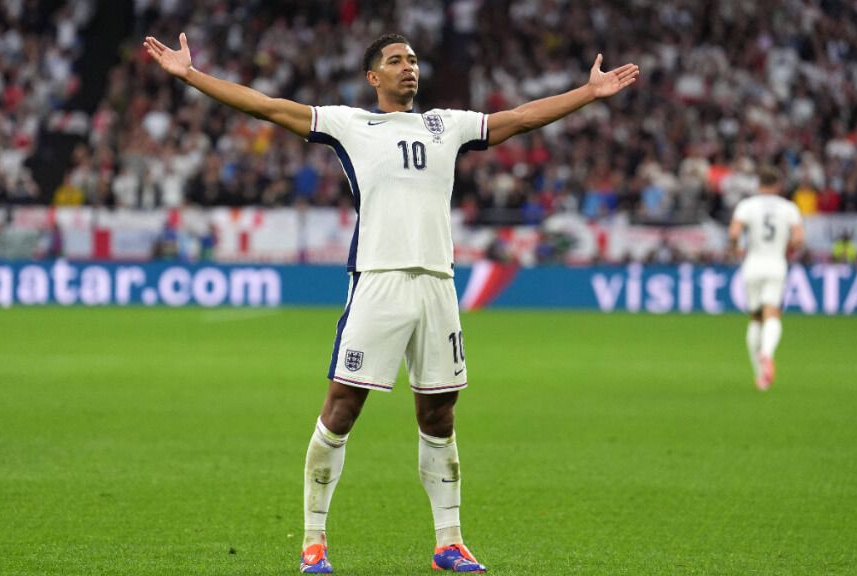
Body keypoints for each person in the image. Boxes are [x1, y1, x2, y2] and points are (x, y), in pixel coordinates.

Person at [144, 31, 639, 573]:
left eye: (414, 60)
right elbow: (266, 106)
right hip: (378, 279)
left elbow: (519, 118)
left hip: (437, 282)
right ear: (372, 77)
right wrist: (191, 76)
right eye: (396, 60)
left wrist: (587, 93)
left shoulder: (446, 125)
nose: (409, 67)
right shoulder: (349, 124)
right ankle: (313, 542)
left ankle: (449, 542)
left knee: (440, 413)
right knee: (342, 407)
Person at [728, 167, 804, 391]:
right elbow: (799, 238)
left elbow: (734, 233)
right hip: (776, 265)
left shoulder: (747, 205)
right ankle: (767, 353)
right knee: (772, 313)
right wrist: (787, 248)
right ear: (778, 185)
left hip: (752, 265)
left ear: (758, 184)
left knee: (755, 318)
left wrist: (736, 248)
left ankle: (760, 376)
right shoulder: (788, 207)